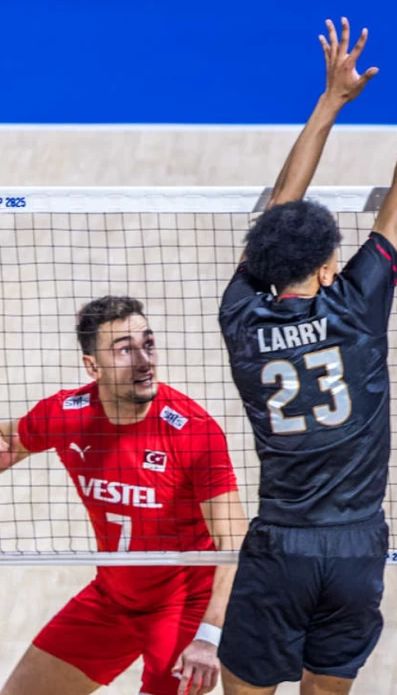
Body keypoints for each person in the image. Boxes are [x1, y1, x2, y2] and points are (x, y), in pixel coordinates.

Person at [217, 0, 397, 694]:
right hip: (355, 546)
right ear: (325, 270)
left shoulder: (241, 316)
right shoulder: (355, 306)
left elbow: (279, 208)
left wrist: (329, 101)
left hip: (281, 542)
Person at [0, 295, 246, 695]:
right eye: (124, 351)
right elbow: (9, 441)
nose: (145, 361)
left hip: (184, 608)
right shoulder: (68, 414)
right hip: (112, 600)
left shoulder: (192, 430)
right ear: (92, 366)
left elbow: (233, 540)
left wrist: (209, 635)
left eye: (148, 344)